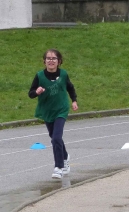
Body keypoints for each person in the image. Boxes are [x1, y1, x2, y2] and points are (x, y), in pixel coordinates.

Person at [28, 49, 78, 179]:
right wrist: (37, 92)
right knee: (54, 137)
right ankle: (65, 156)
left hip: (61, 110)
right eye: (48, 58)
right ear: (44, 61)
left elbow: (70, 88)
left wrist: (74, 101)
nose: (51, 61)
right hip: (47, 111)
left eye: (54, 58)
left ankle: (59, 167)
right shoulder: (39, 76)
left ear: (59, 61)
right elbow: (31, 94)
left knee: (56, 138)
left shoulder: (63, 74)